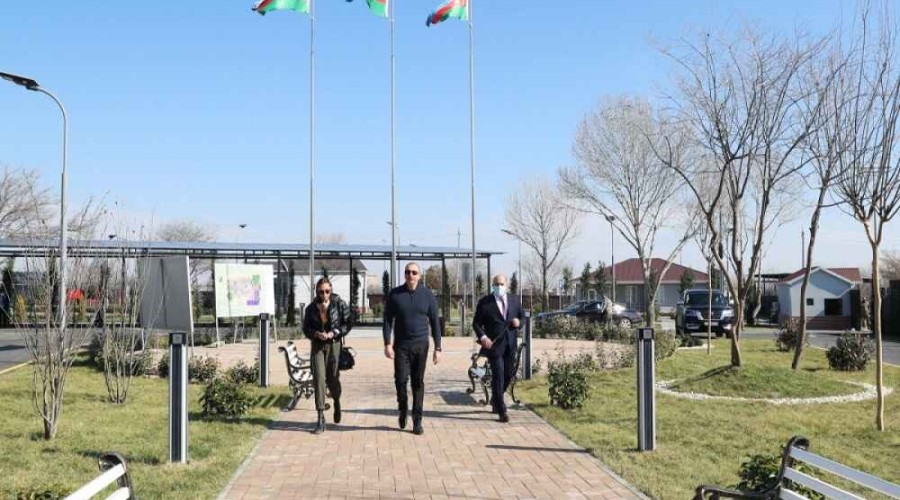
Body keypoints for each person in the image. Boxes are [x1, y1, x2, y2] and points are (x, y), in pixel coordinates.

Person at [383, 262, 442, 435]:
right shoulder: (395, 294)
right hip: (401, 345)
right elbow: (387, 320)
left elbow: (435, 322)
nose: (411, 275)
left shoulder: (428, 295)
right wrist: (387, 343)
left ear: (419, 276)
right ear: (404, 275)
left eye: (414, 272)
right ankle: (403, 408)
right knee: (400, 380)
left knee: (418, 382)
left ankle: (417, 420)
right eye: (408, 272)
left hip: (421, 345)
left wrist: (438, 347)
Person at [302, 277, 352, 434]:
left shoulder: (339, 303)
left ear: (331, 290)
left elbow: (349, 322)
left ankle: (336, 400)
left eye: (327, 291)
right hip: (317, 346)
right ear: (317, 291)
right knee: (319, 380)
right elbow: (306, 328)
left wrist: (335, 332)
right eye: (321, 291)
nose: (324, 294)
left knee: (332, 378)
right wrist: (316, 333)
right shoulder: (311, 309)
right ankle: (320, 417)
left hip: (334, 345)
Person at [472, 274, 524, 422]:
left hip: (510, 344)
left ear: (506, 285)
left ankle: (496, 399)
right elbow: (476, 323)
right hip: (494, 346)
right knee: (498, 376)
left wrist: (518, 323)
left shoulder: (514, 300)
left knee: (508, 374)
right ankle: (502, 410)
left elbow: (523, 318)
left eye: (501, 284)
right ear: (492, 285)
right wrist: (483, 338)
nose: (498, 287)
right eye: (496, 284)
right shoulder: (485, 302)